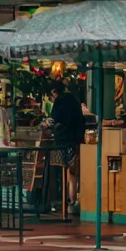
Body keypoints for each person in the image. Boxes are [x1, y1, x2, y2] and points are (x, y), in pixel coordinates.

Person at [46, 80, 85, 209]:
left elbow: (53, 120)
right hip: (75, 141)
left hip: (61, 141)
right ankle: (73, 201)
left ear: (53, 92)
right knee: (73, 173)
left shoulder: (59, 101)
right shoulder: (74, 100)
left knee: (61, 172)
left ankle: (63, 201)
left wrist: (45, 123)